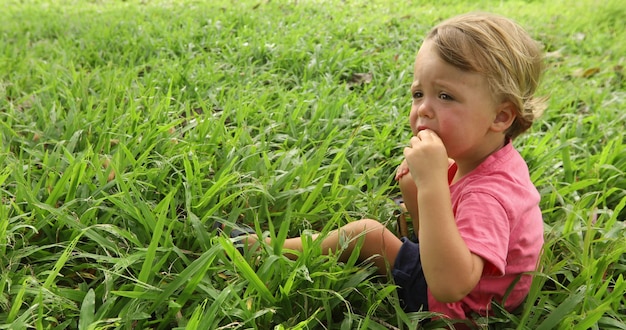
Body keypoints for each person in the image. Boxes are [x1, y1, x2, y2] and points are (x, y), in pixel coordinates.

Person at [233, 12, 546, 323]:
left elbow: (451, 286)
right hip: (471, 278)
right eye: (418, 93)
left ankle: (266, 250)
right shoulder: (491, 158)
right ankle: (427, 245)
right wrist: (426, 182)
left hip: (460, 307)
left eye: (446, 96)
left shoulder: (488, 196)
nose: (423, 108)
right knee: (412, 183)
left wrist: (434, 184)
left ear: (501, 117)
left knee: (367, 234)